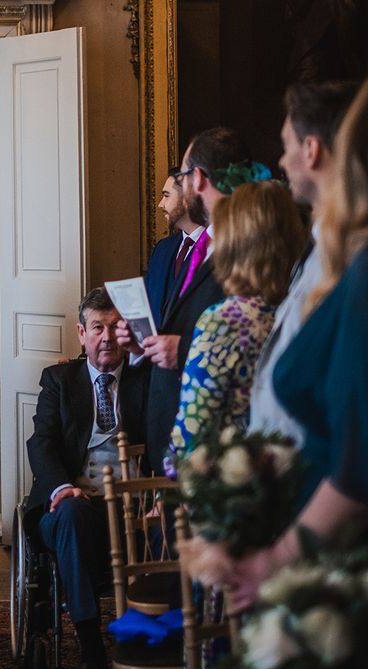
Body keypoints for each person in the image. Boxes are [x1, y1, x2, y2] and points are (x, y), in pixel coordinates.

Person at [226, 57, 368, 611]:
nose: (278, 159)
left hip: (339, 552)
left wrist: (274, 559)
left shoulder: (367, 267)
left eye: (285, 144)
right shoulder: (342, 252)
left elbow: (364, 461)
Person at [26, 287, 149, 669]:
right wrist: (63, 487)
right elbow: (40, 442)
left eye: (116, 327)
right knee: (72, 515)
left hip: (133, 506)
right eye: (98, 327)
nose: (107, 337)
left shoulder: (145, 380)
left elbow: (167, 437)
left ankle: (164, 647)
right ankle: (93, 655)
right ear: (82, 333)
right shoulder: (59, 379)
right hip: (73, 505)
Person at [117, 127, 248, 473]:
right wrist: (139, 344)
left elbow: (252, 335)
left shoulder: (244, 249)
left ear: (198, 179)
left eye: (185, 175)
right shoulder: (183, 249)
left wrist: (186, 349)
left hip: (211, 442)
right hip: (167, 422)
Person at [248, 81, 357, 450]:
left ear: (311, 149)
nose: (280, 160)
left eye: (285, 145)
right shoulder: (318, 242)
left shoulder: (350, 253)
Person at [167, 181, 307, 464]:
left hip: (233, 489)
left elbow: (190, 439)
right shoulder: (304, 311)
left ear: (233, 244)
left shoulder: (225, 322)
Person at [145, 168, 205, 328]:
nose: (160, 204)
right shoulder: (162, 249)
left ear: (187, 198)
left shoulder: (217, 247)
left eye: (166, 195)